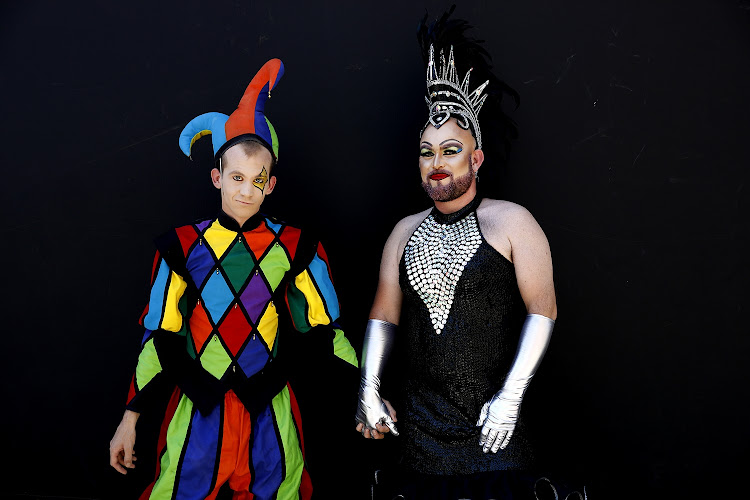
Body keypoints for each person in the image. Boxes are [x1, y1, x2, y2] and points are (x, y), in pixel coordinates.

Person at [109, 58, 358, 500]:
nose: (246, 190)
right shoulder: (182, 246)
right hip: (198, 412)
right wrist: (131, 416)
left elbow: (325, 330)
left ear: (272, 184)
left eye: (257, 180)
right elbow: (160, 334)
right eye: (236, 177)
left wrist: (365, 396)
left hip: (270, 409)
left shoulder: (298, 247)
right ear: (216, 176)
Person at [354, 9, 558, 500]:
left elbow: (544, 309)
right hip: (417, 450)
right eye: (427, 151)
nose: (437, 163)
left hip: (495, 445)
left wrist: (511, 396)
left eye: (450, 150)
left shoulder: (512, 221)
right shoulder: (403, 232)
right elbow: (384, 316)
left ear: (477, 157)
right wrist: (368, 390)